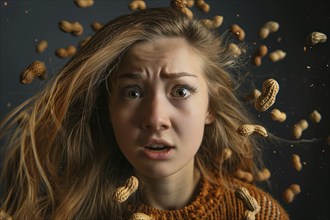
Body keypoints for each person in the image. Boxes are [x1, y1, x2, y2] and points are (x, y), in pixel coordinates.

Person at [0, 5, 290, 220]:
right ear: (108, 108)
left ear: (211, 107)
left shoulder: (256, 213)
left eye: (180, 91)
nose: (155, 119)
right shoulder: (64, 214)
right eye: (133, 93)